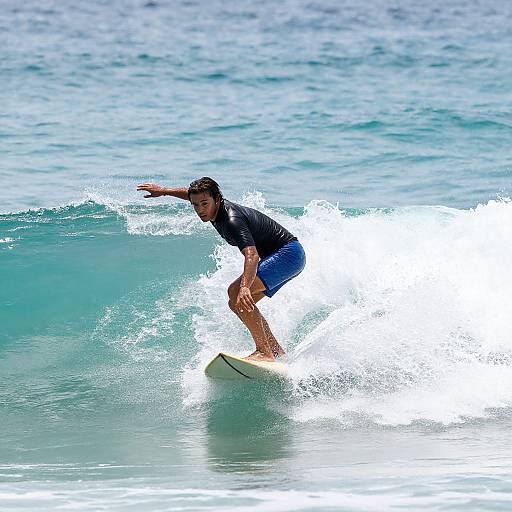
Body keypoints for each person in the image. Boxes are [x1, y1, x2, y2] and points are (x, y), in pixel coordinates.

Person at [137, 177, 306, 361]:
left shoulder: (232, 220)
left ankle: (264, 352)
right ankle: (274, 350)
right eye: (196, 205)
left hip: (288, 254)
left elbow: (252, 255)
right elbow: (190, 194)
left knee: (235, 293)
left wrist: (244, 288)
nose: (200, 210)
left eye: (204, 204)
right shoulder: (210, 205)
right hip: (284, 256)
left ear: (217, 199)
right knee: (237, 303)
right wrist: (163, 191)